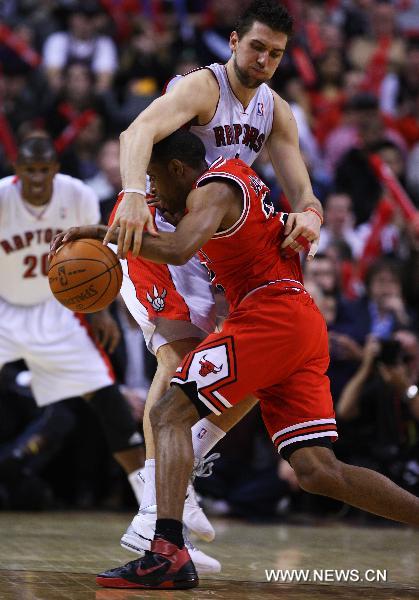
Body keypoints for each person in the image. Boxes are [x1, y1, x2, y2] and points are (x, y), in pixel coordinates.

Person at [52, 130, 419, 591]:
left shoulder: (216, 188)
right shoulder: (224, 188)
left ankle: (165, 548)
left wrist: (107, 237)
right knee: (318, 472)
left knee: (169, 413)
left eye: (154, 180)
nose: (152, 195)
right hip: (296, 322)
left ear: (179, 170)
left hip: (271, 315)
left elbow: (176, 248)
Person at [102, 0, 325, 561]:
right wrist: (130, 194)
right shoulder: (204, 88)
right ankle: (155, 506)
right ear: (232, 40)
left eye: (275, 53)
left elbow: (303, 190)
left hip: (204, 245)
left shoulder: (275, 111)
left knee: (252, 362)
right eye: (256, 47)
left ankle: (183, 474)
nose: (264, 60)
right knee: (179, 357)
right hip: (151, 228)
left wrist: (310, 217)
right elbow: (138, 130)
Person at [0, 136, 146, 508]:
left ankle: (153, 504)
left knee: (107, 397)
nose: (36, 178)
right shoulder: (2, 197)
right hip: (7, 309)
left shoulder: (77, 194)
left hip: (57, 312)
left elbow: (90, 257)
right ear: (18, 171)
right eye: (28, 171)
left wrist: (99, 311)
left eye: (43, 170)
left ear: (54, 170)